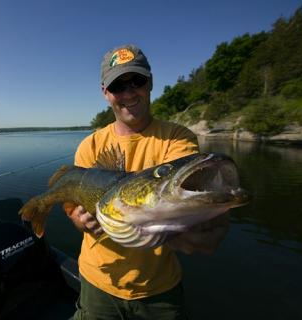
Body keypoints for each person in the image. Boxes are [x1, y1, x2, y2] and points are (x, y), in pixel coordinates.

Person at [65, 44, 230, 319]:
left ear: (150, 82)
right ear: (106, 93)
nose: (129, 93)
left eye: (137, 81)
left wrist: (208, 215)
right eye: (119, 86)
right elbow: (70, 204)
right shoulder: (89, 146)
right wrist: (78, 220)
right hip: (97, 282)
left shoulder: (178, 138)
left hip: (159, 289)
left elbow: (185, 194)